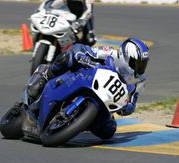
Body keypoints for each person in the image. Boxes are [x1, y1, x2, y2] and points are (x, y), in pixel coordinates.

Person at [10, 37, 149, 139]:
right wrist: (82, 57)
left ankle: (73, 124)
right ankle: (46, 75)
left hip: (104, 102)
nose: (140, 68)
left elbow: (132, 105)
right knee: (67, 58)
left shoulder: (138, 81)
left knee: (109, 130)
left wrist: (126, 107)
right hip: (86, 78)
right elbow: (82, 49)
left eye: (142, 64)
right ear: (126, 56)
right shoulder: (110, 53)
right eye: (137, 63)